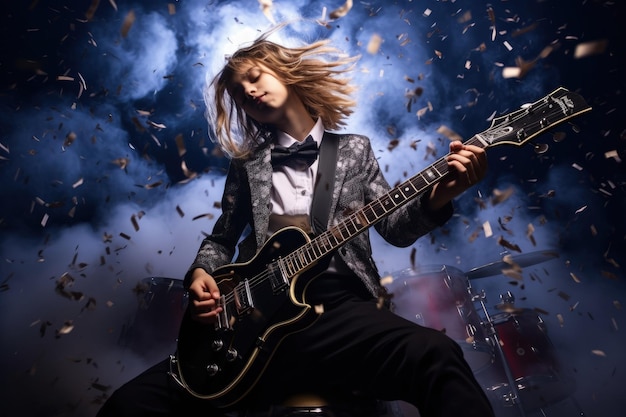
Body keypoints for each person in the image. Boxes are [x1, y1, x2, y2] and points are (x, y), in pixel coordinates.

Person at [97, 28, 494, 417]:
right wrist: (202, 271)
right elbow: (222, 239)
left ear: (286, 72)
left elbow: (395, 229)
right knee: (127, 405)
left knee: (437, 357)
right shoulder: (247, 164)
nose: (249, 91)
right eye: (239, 93)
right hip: (249, 323)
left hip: (337, 311)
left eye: (255, 77)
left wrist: (441, 193)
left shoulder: (354, 150)